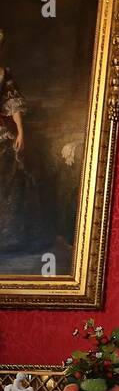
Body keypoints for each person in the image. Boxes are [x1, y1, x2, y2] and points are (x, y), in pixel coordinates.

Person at [0, 28, 35, 257]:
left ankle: (7, 235)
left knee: (8, 177)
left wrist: (21, 132)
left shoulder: (3, 74)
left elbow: (12, 104)